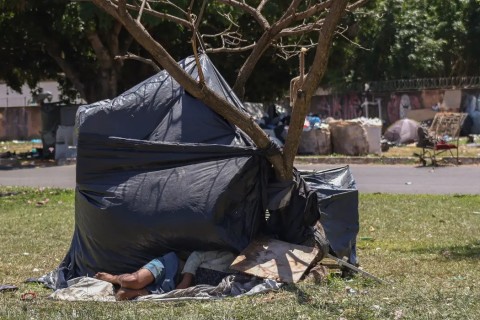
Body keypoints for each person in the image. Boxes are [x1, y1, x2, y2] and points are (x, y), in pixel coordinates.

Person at [95, 250, 235, 300]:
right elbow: (196, 255)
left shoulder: (237, 278)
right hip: (170, 266)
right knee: (133, 280)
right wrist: (187, 279)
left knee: (122, 295)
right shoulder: (229, 257)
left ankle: (139, 291)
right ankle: (113, 278)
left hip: (171, 287)